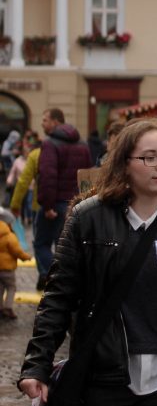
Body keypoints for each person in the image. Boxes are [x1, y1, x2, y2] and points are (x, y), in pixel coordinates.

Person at [18, 120, 157, 406]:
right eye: (150, 157)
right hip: (105, 374)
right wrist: (36, 366)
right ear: (125, 162)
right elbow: (58, 296)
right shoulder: (88, 217)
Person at [35, 108, 93, 291]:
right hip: (77, 204)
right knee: (66, 247)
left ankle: (54, 278)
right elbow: (87, 177)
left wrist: (47, 206)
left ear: (55, 121)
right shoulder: (83, 144)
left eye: (45, 120)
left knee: (41, 244)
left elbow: (47, 176)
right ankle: (66, 280)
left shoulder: (49, 144)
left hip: (56, 204)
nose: (42, 124)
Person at [0, 212, 31, 318]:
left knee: (0, 288)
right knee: (11, 287)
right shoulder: (9, 236)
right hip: (8, 270)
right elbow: (17, 251)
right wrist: (26, 257)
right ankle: (8, 307)